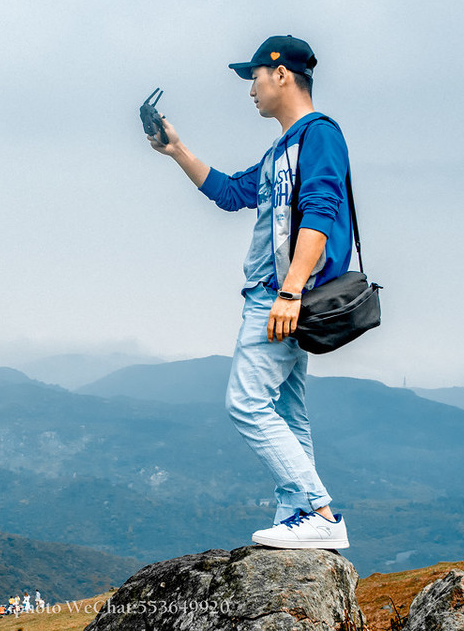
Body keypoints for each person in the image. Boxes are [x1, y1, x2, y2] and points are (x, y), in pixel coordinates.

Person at [147, 34, 351, 550]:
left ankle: (321, 512)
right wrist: (176, 150)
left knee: (246, 403)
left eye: (255, 76)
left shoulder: (319, 135)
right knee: (287, 411)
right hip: (281, 296)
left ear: (282, 74)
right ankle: (296, 517)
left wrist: (288, 292)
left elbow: (322, 212)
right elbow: (230, 192)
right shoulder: (281, 149)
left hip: (281, 297)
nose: (251, 88)